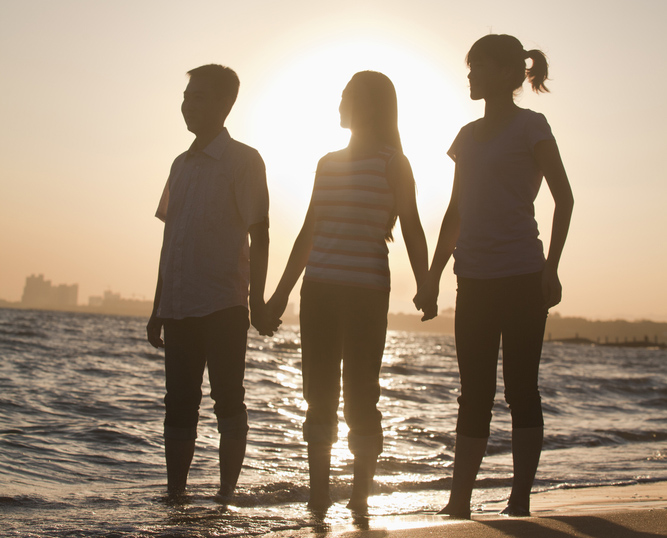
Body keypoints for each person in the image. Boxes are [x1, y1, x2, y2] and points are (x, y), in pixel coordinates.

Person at [414, 34, 574, 518]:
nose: (470, 75)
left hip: (524, 275)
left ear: (508, 74)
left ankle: (519, 499)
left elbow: (563, 198)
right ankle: (458, 501)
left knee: (521, 389)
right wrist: (433, 276)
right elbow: (456, 210)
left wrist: (552, 268)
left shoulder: (532, 126)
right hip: (475, 278)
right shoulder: (465, 136)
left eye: (479, 67)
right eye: (469, 68)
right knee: (474, 392)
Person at [267, 71, 433, 513]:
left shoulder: (393, 163)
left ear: (372, 106)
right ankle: (318, 498)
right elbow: (308, 232)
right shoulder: (327, 163)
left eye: (347, 98)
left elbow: (412, 226)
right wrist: (279, 295)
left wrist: (427, 283)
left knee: (361, 395)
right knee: (318, 395)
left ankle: (360, 498)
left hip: (366, 294)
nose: (339, 104)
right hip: (318, 291)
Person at [146, 64, 277, 502]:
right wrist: (156, 306)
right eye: (187, 95)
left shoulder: (243, 160)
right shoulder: (179, 165)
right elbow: (171, 237)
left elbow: (260, 230)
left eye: (199, 96)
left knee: (227, 400)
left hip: (223, 302)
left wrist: (257, 299)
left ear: (225, 104)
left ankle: (225, 496)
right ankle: (175, 495)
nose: (188, 104)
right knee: (178, 403)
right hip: (179, 304)